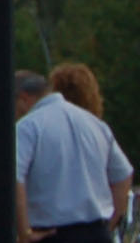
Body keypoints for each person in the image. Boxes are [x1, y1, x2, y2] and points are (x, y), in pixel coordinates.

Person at [15, 68, 134, 243]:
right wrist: (112, 221)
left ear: (24, 98)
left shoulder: (27, 127)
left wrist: (24, 231)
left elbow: (15, 176)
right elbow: (123, 175)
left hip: (52, 234)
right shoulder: (95, 124)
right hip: (97, 232)